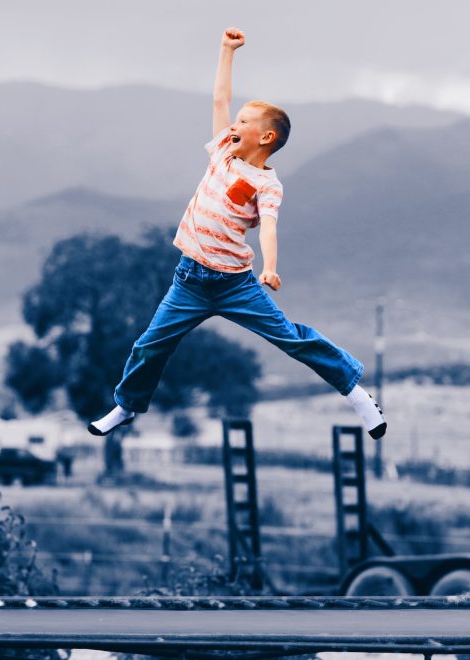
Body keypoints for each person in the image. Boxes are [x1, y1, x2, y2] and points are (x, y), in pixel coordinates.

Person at [89, 27, 386, 440]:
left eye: (244, 121)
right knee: (150, 345)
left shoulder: (268, 185)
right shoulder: (222, 151)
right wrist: (227, 51)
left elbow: (269, 227)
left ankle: (356, 393)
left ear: (265, 137)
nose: (234, 122)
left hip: (235, 285)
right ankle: (126, 406)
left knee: (292, 339)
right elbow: (219, 99)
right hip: (190, 281)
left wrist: (271, 268)